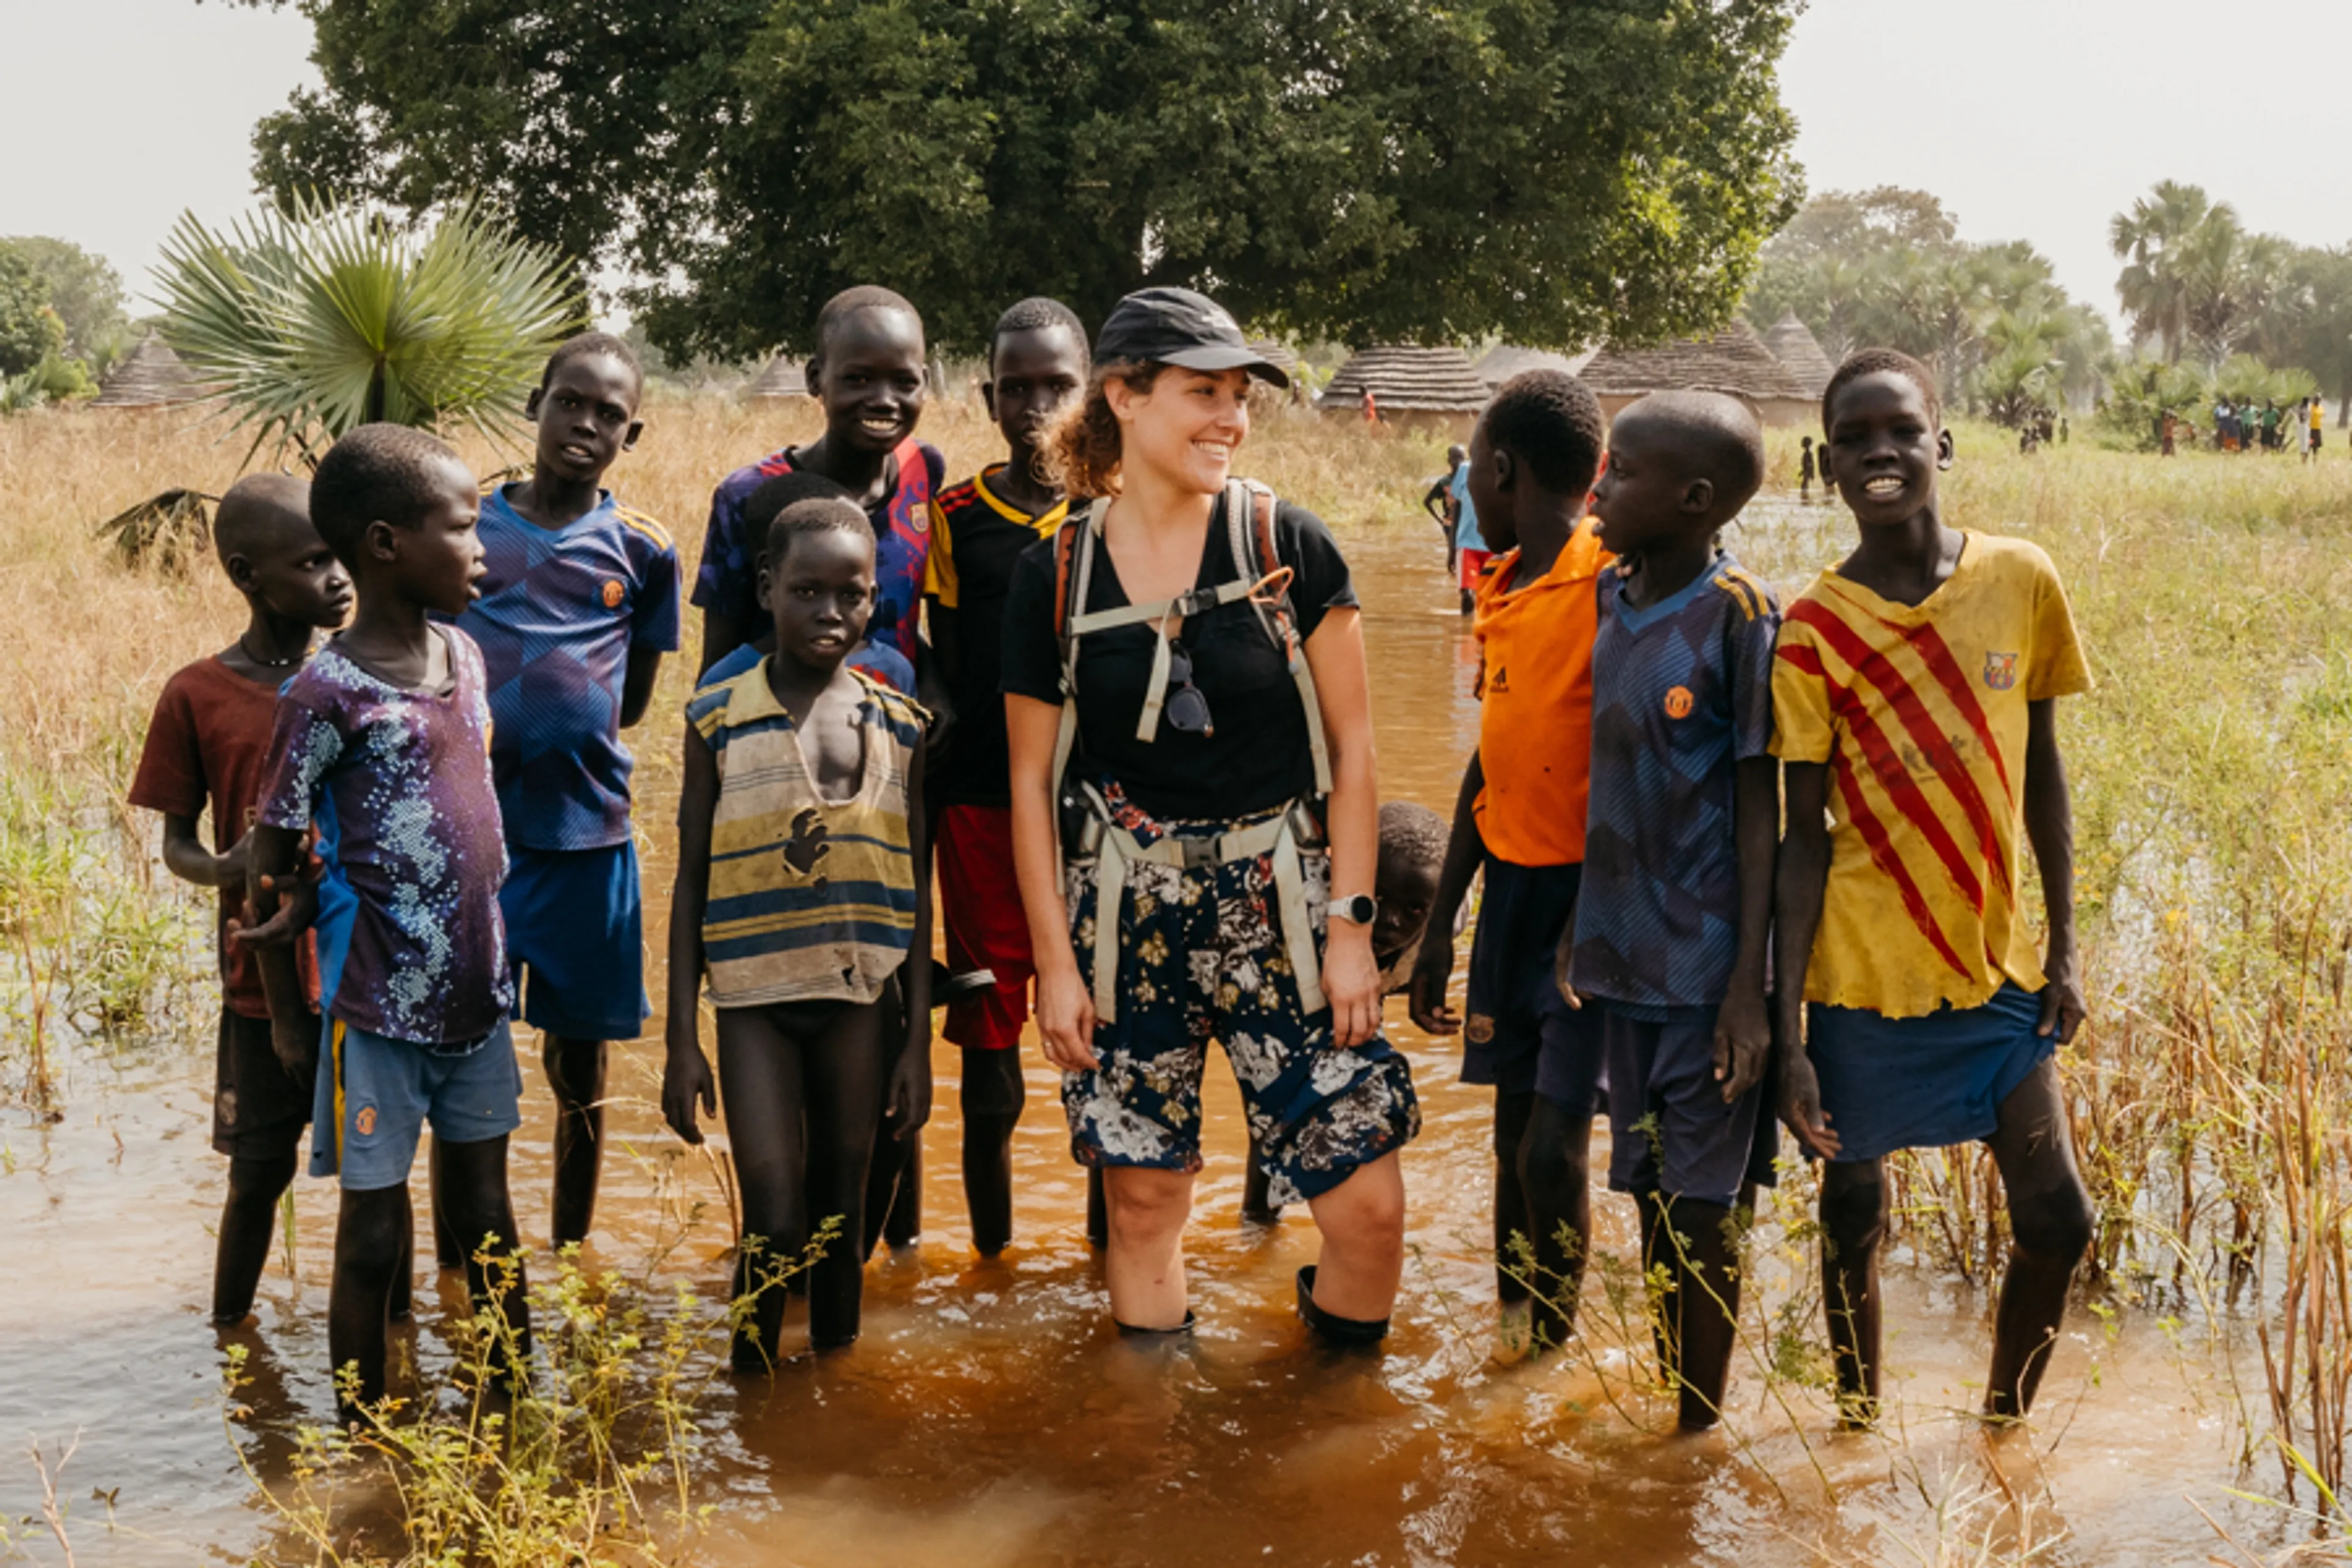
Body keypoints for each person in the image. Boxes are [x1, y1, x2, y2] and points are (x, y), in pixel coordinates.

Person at [1003, 286, 1418, 1343]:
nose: (1231, 419)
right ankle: (1155, 1421)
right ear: (1124, 397)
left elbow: (1356, 752)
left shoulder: (1286, 545)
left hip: (1287, 904)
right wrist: (1054, 966)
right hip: (1126, 910)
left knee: (1367, 1207)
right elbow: (1030, 785)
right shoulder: (1054, 573)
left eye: (1241, 397)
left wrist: (1352, 931)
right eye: (1204, 393)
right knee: (1145, 1201)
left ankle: (1335, 1407)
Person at [1775, 349, 2094, 1427]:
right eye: (1854, 439)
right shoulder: (1814, 630)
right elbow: (1803, 838)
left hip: (1996, 970)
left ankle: (2002, 1431)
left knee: (2058, 1221)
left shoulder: (2021, 579)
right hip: (1862, 979)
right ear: (1826, 463)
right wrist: (1789, 1032)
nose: (1880, 453)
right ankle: (1857, 1426)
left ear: (1941, 444)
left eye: (1902, 431)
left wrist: (2067, 945)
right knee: (1851, 1217)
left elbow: (2043, 770)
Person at [244, 424, 529, 1421]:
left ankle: (511, 1414)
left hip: (480, 1002)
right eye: (464, 527)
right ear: (385, 545)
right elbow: (269, 863)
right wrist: (289, 1016)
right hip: (377, 1015)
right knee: (371, 1236)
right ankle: (364, 1445)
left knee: (488, 1220)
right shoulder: (326, 695)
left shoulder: (464, 655)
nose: (482, 547)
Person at [662, 497, 935, 1368]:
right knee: (775, 1222)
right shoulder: (717, 718)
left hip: (859, 1001)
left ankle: (832, 1392)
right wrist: (680, 1040)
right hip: (755, 1003)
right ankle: (750, 1389)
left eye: (851, 594)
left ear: (874, 599)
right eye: (807, 591)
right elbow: (692, 881)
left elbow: (915, 888)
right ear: (766, 588)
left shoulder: (900, 725)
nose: (829, 613)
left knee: (840, 1219)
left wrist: (916, 1046)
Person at [1572, 391, 1780, 1430]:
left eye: (1621, 472)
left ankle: (1696, 1438)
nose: (1598, 490)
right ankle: (1675, 1402)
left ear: (1695, 501)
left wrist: (1750, 988)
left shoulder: (1739, 615)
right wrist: (1576, 928)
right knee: (1651, 1192)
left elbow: (1762, 806)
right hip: (1620, 962)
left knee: (1704, 1209)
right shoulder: (1610, 596)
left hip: (1706, 974)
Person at [451, 331, 677, 1256]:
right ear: (534, 405)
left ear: (632, 434)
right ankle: (470, 1257)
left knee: (579, 1067)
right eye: (569, 403)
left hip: (589, 840)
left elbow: (632, 699)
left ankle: (571, 1253)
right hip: (477, 843)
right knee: (466, 1059)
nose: (585, 424)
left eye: (609, 414)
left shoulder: (644, 549)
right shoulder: (466, 530)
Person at [1409, 369, 1612, 1352]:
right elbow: (1489, 763)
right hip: (1510, 898)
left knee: (1552, 1150)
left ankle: (1552, 1355)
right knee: (1507, 1140)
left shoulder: (1608, 578)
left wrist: (1591, 917)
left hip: (1586, 904)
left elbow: (1632, 767)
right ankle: (1512, 1332)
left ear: (1498, 470)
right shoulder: (1506, 586)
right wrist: (1442, 921)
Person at [129, 474, 349, 1327]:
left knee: (375, 1179)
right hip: (260, 981)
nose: (338, 577)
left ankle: (391, 1340)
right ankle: (233, 1344)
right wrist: (236, 867)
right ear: (247, 576)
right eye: (313, 561)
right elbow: (178, 845)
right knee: (258, 1172)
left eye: (338, 555)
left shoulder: (361, 678)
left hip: (358, 972)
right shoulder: (197, 693)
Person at [925, 296, 1088, 1257]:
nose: (1035, 408)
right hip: (982, 808)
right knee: (990, 1064)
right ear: (989, 398)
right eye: (1015, 388)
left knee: (1103, 1049)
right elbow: (942, 657)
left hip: (1097, 820)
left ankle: (1114, 1257)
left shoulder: (1117, 510)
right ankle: (992, 1265)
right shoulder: (956, 518)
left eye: (1055, 386)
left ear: (1090, 392)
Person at [693, 285, 944, 687]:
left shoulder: (922, 469)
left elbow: (896, 611)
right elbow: (720, 661)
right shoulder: (750, 495)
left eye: (904, 381)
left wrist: (930, 685)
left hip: (897, 719)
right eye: (858, 379)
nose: (884, 399)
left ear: (925, 383)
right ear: (815, 379)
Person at [1450, 443, 1491, 615]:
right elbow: (1457, 509)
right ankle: (1466, 629)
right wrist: (1451, 550)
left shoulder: (1500, 469)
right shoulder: (1465, 470)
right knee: (1467, 594)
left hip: (1494, 545)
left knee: (1491, 596)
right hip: (1467, 544)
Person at [1423, 445, 1466, 578]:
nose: (1457, 461)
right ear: (1449, 461)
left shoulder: (1469, 480)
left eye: (1460, 458)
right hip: (1450, 524)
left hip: (1466, 523)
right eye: (1454, 458)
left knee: (1464, 554)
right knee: (1454, 552)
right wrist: (1439, 520)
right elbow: (1427, 502)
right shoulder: (1444, 483)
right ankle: (1455, 575)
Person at [1798, 434, 1816, 502]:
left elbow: (1810, 464)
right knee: (1804, 485)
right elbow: (1807, 464)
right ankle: (1806, 498)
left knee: (1804, 485)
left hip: (1807, 472)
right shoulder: (1807, 454)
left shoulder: (1808, 454)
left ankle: (1805, 499)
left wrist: (1809, 472)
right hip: (1806, 472)